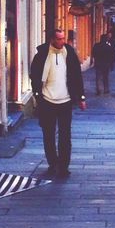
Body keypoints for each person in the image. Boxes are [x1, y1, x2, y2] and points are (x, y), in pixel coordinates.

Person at [29, 27, 86, 178]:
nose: (62, 42)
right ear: (52, 39)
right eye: (59, 39)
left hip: (65, 100)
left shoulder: (69, 53)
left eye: (63, 39)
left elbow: (76, 76)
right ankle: (52, 163)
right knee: (48, 134)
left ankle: (64, 165)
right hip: (47, 100)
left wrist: (81, 97)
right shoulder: (42, 55)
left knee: (65, 135)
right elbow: (34, 75)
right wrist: (37, 95)